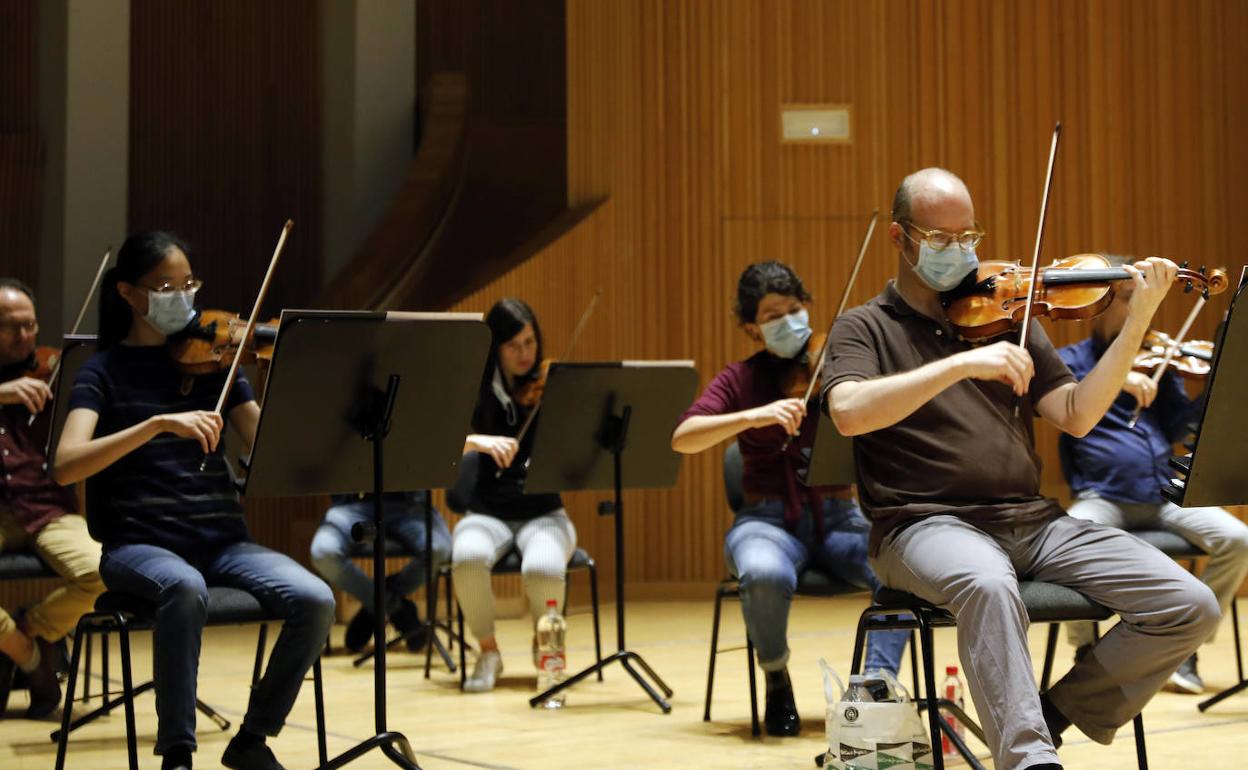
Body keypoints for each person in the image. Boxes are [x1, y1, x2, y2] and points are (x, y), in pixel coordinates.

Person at [823, 167, 1219, 770]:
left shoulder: (1012, 315)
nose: (961, 251)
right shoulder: (864, 327)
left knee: (1188, 602)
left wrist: (1137, 319)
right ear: (901, 239)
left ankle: (1054, 713)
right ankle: (1031, 760)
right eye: (940, 239)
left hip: (1032, 522)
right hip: (922, 525)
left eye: (969, 235)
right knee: (986, 583)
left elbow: (1077, 414)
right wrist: (958, 366)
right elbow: (848, 413)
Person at [53, 231, 334, 770]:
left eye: (188, 285)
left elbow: (266, 445)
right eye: (165, 286)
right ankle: (177, 752)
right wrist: (157, 424)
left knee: (315, 598)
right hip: (139, 547)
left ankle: (251, 739)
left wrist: (272, 373)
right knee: (184, 586)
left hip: (224, 542)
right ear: (130, 295)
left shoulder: (217, 365)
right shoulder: (102, 373)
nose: (182, 297)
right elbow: (67, 462)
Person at [670, 262, 907, 737]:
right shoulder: (740, 379)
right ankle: (776, 678)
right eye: (772, 315)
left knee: (904, 571)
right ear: (751, 327)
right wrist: (753, 416)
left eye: (794, 310)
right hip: (766, 521)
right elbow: (684, 437)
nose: (788, 322)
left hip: (841, 517)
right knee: (761, 573)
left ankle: (875, 688)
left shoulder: (838, 364)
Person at [1058, 262, 1248, 694]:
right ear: (1103, 304)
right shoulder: (1072, 361)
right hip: (1103, 496)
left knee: (1238, 541)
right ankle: (1086, 651)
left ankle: (1184, 650)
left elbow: (1180, 428)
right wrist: (1118, 377)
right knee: (1070, 537)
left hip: (1162, 495)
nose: (1137, 309)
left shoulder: (1159, 362)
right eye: (1128, 299)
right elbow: (1062, 397)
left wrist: (1213, 392)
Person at [454, 298, 577, 693]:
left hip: (545, 512)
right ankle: (488, 651)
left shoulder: (551, 385)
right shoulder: (475, 385)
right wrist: (477, 440)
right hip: (487, 511)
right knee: (467, 558)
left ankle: (549, 653)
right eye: (513, 345)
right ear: (495, 347)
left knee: (542, 569)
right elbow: (439, 439)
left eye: (530, 342)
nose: (525, 354)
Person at [0, 278, 104, 718]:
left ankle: (33, 630)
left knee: (107, 573)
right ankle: (26, 655)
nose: (24, 337)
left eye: (30, 326)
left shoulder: (55, 370)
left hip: (46, 508)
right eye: (9, 328)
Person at [310, 491, 450, 653]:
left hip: (410, 507)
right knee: (323, 553)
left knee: (439, 550)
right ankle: (398, 609)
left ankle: (377, 603)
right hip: (352, 508)